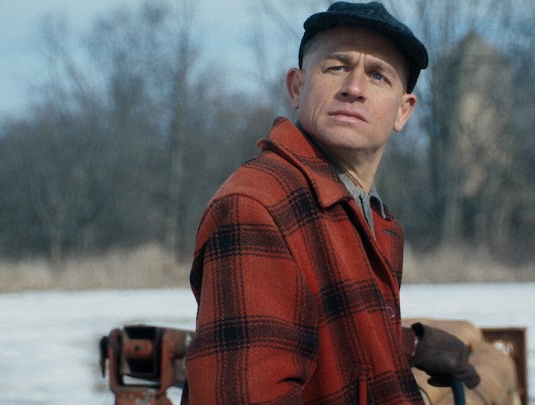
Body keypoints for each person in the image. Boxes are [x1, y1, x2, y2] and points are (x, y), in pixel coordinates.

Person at [181, 2, 480, 404]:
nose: (354, 87)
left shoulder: (367, 213)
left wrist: (412, 345)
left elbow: (333, 331)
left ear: (403, 111)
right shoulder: (258, 206)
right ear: (296, 87)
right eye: (337, 67)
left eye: (378, 75)